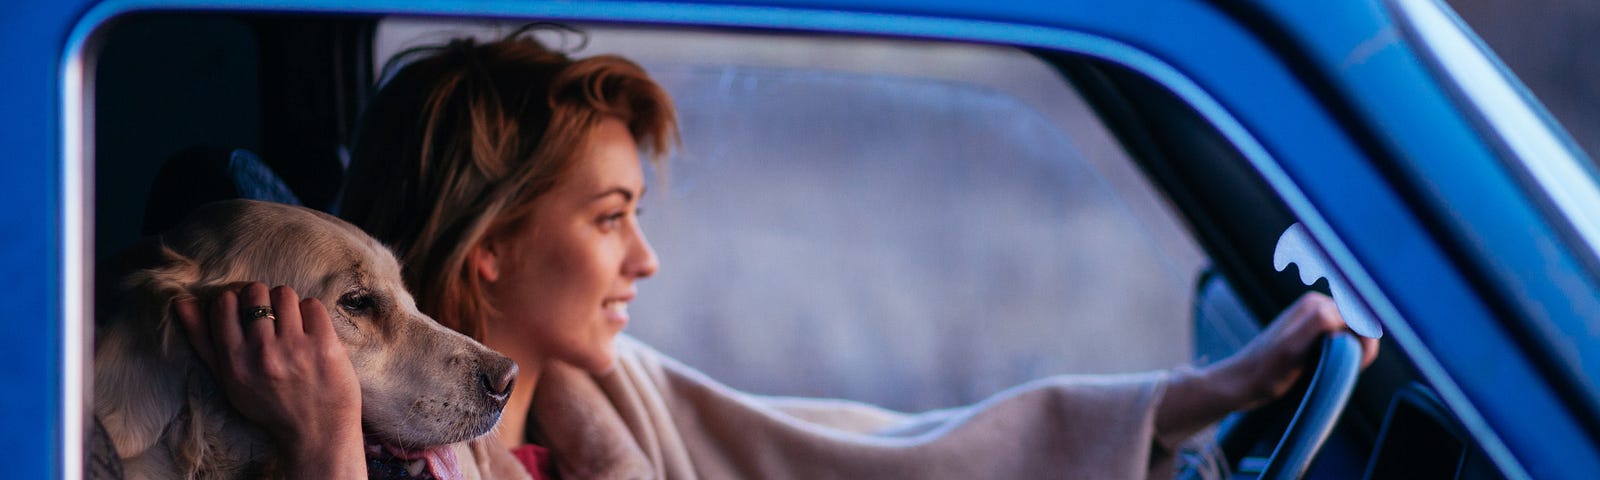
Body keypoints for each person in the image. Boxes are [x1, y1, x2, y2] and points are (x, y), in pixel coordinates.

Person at [180, 28, 1380, 479]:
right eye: (608, 218)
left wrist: (1190, 398)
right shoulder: (377, 459)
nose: (644, 258)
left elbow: (877, 461)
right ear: (491, 246)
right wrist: (332, 450)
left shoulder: (609, 406)